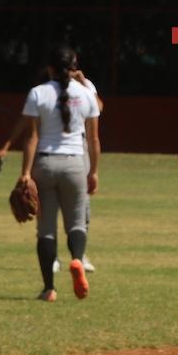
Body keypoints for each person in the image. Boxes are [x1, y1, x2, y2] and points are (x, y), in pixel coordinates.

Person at [0, 45, 101, 301]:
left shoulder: (38, 93)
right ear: (73, 66)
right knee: (76, 223)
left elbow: (31, 137)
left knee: (46, 229)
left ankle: (49, 289)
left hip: (45, 164)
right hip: (76, 163)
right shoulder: (86, 94)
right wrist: (94, 172)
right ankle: (77, 260)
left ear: (49, 68)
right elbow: (94, 140)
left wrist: (25, 174)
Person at [53, 69, 103, 274]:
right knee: (52, 208)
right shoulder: (51, 87)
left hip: (80, 150)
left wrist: (83, 83)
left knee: (83, 209)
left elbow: (99, 107)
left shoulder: (85, 86)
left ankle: (79, 255)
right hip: (55, 148)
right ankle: (53, 256)